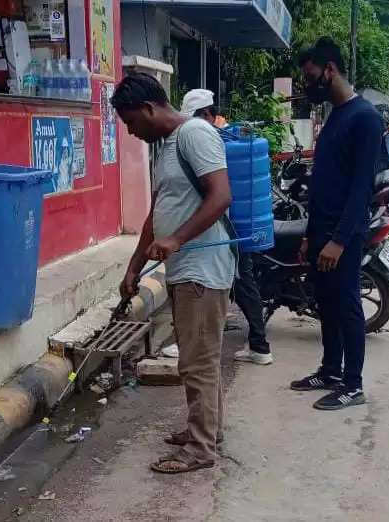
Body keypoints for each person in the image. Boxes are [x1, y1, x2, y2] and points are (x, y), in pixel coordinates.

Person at [111, 74, 235, 473]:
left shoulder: (195, 134)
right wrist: (133, 268)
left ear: (149, 109)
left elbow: (221, 195)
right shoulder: (165, 147)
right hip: (184, 269)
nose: (131, 132)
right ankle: (207, 431)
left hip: (202, 269)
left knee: (198, 363)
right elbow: (155, 213)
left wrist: (177, 239)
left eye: (132, 123)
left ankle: (201, 448)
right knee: (199, 359)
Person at [290, 37, 383, 411]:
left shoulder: (365, 118)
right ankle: (330, 370)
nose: (308, 85)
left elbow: (361, 189)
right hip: (322, 230)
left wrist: (339, 241)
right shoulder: (334, 116)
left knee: (346, 307)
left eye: (311, 77)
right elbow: (324, 181)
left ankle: (353, 384)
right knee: (325, 303)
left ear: (330, 70)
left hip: (344, 233)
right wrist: (311, 235)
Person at [180, 89, 273, 365]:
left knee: (243, 283)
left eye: (197, 118)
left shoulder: (216, 141)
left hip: (230, 227)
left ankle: (260, 346)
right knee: (239, 283)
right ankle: (253, 343)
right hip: (238, 226)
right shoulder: (222, 137)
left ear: (208, 114)